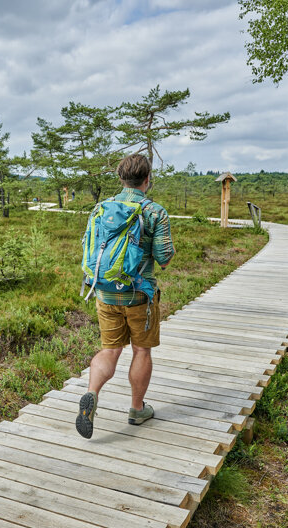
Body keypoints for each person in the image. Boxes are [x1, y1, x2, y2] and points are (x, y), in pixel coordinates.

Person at [76, 153, 175, 439]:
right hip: (139, 296)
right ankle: (137, 409)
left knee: (110, 350)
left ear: (120, 179)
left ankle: (92, 393)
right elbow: (164, 259)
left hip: (105, 293)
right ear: (147, 180)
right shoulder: (155, 211)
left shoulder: (100, 208)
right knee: (141, 350)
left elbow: (90, 246)